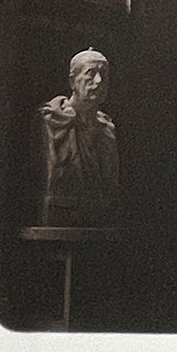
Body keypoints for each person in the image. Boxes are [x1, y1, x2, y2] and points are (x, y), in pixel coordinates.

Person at [37, 49, 120, 224]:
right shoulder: (51, 122)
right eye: (91, 73)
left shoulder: (107, 131)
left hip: (98, 221)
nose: (99, 81)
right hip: (58, 216)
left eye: (103, 74)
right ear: (72, 81)